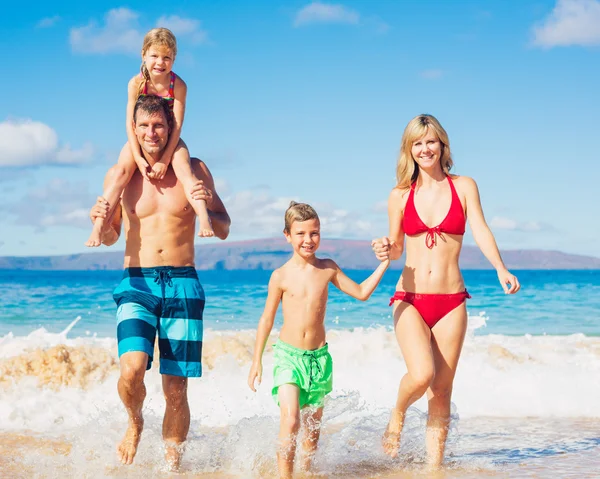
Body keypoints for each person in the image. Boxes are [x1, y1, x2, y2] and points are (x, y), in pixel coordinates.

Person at [89, 94, 230, 470]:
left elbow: (224, 228)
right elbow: (110, 237)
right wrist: (100, 220)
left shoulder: (194, 169)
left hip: (183, 282)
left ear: (170, 129)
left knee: (175, 388)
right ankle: (135, 422)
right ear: (134, 129)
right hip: (137, 281)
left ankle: (171, 467)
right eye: (145, 126)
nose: (152, 133)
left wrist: (209, 202)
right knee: (132, 369)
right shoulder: (122, 174)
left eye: (158, 126)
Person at [371, 114, 520, 469]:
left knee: (442, 391)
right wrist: (384, 248)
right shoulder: (400, 195)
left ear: (442, 145)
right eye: (417, 143)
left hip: (452, 301)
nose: (425, 149)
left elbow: (481, 230)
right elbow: (395, 247)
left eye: (431, 141)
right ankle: (398, 413)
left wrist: (500, 267)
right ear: (410, 149)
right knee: (422, 375)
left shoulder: (464, 186)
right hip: (410, 298)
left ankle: (433, 469)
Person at [247, 201, 390, 479]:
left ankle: (306, 474)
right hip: (288, 356)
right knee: (290, 421)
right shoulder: (280, 276)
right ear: (287, 235)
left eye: (314, 233)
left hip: (318, 360)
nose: (308, 240)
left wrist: (384, 263)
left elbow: (361, 292)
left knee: (311, 432)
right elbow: (266, 319)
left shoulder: (327, 269)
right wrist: (256, 361)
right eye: (300, 234)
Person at [86, 27, 213, 248]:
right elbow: (129, 122)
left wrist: (165, 159)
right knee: (119, 174)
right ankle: (97, 227)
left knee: (185, 170)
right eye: (154, 56)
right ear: (144, 55)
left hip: (170, 137)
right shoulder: (136, 83)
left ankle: (203, 217)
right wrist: (138, 157)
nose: (160, 62)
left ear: (174, 59)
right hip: (140, 139)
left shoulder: (178, 85)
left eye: (167, 57)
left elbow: (178, 124)